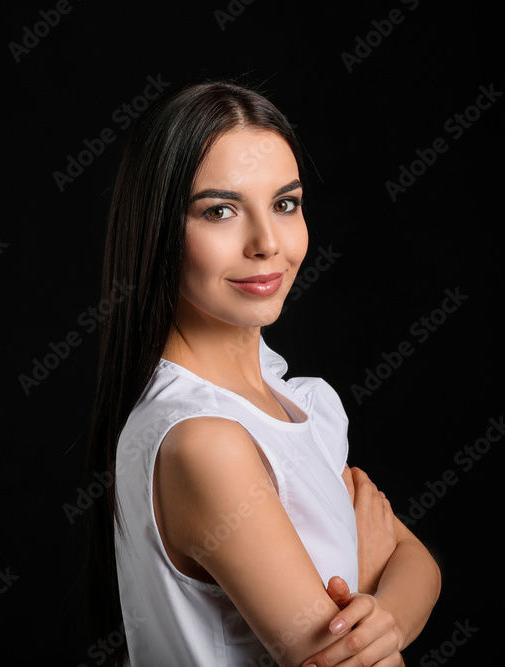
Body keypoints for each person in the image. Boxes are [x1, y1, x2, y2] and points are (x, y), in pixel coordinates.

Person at [83, 80, 440, 667]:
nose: (267, 243)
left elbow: (421, 563)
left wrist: (384, 618)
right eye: (220, 211)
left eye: (285, 203)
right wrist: (366, 570)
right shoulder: (204, 442)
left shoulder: (292, 401)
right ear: (157, 230)